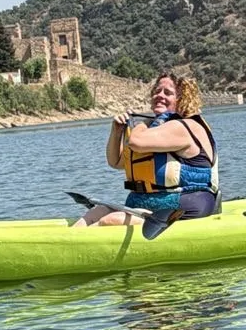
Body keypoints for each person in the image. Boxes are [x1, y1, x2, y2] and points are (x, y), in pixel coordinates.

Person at [73, 71, 219, 228]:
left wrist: (141, 123)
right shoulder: (156, 128)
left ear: (182, 99)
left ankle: (74, 249)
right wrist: (117, 131)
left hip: (181, 207)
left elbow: (135, 142)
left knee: (111, 221)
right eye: (157, 91)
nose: (159, 95)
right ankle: (66, 242)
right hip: (149, 204)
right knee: (97, 212)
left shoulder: (184, 126)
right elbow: (115, 162)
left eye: (168, 93)